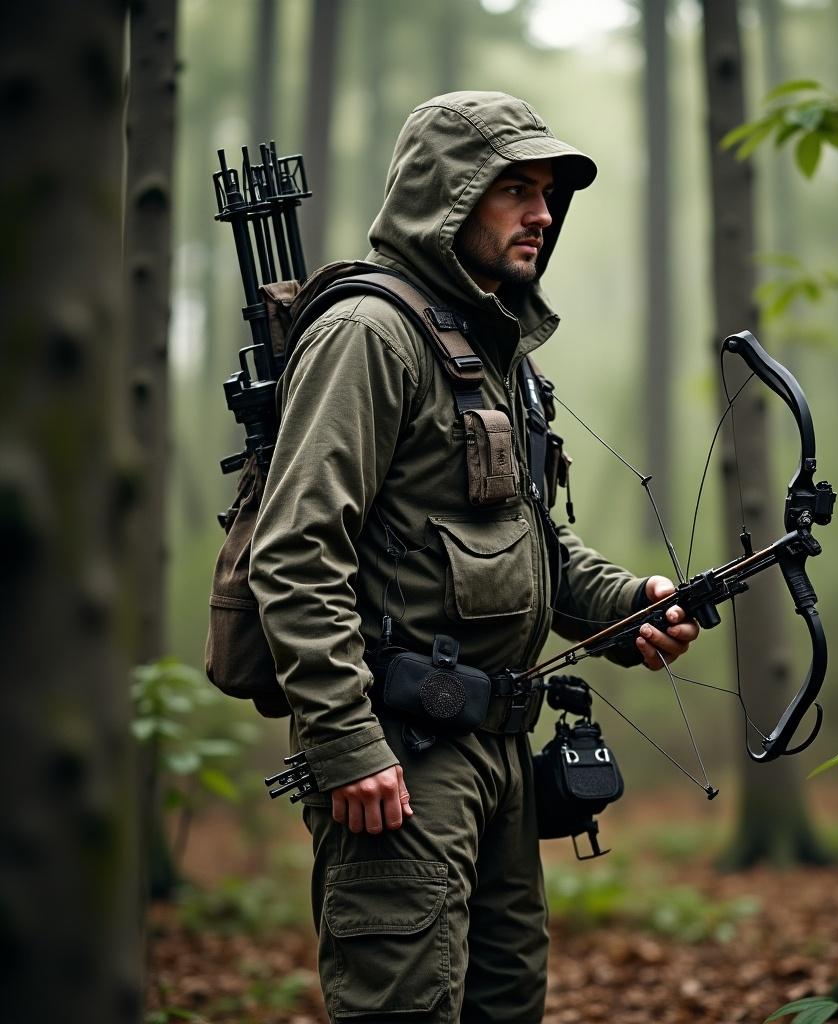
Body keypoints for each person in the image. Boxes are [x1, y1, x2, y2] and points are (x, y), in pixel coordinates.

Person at [249, 90, 699, 1024]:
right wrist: (345, 741)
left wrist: (633, 604)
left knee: (505, 1005)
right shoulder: (369, 335)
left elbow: (528, 541)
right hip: (400, 760)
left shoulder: (494, 350)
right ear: (446, 196)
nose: (542, 213)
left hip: (498, 749)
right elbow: (293, 552)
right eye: (516, 189)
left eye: (549, 194)